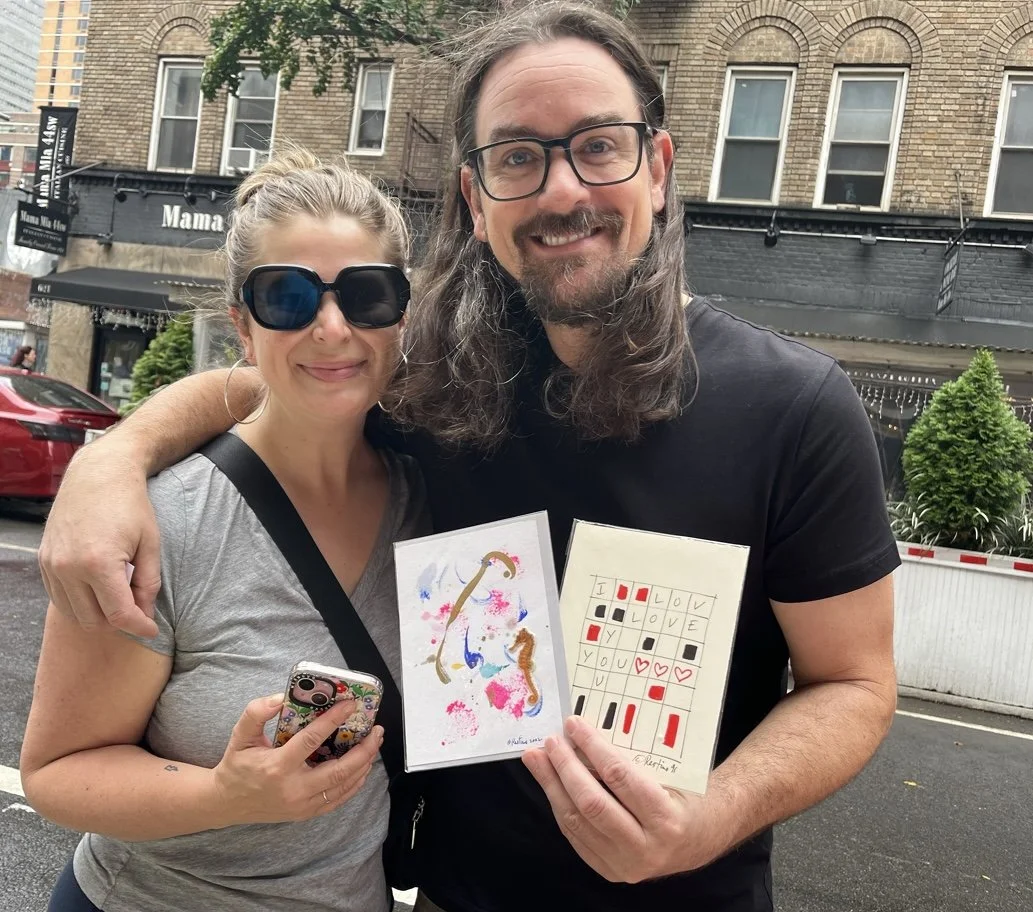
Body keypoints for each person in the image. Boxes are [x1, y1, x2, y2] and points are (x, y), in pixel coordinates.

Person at [36, 4, 899, 912]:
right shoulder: (444, 384)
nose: (562, 190)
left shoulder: (795, 406)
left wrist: (714, 814)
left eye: (598, 145)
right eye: (518, 156)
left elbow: (853, 684)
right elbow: (291, 379)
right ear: (474, 198)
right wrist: (114, 460)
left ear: (658, 165)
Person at [21, 149, 428, 912]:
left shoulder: (434, 501)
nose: (331, 326)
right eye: (287, 297)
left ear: (402, 314)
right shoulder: (166, 520)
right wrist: (225, 793)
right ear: (242, 325)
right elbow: (57, 771)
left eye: (368, 294)